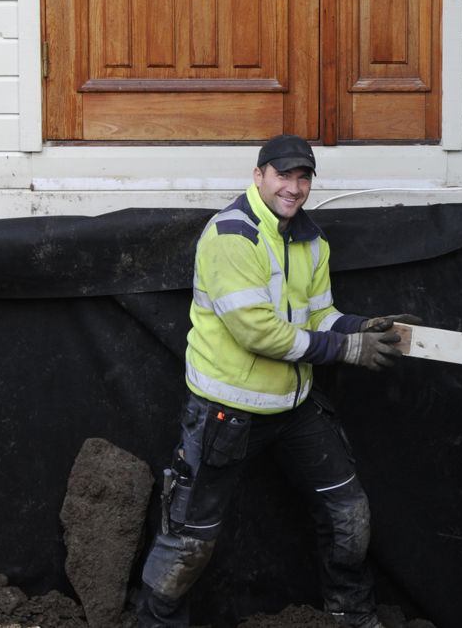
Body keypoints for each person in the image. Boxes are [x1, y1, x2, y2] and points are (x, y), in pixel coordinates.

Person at [134, 134, 419, 628]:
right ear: (259, 175)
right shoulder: (232, 236)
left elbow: (320, 315)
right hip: (226, 412)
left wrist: (360, 327)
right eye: (283, 175)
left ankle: (351, 615)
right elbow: (258, 332)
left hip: (294, 407)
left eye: (303, 177)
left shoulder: (312, 240)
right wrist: (346, 350)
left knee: (348, 514)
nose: (293, 187)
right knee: (189, 541)